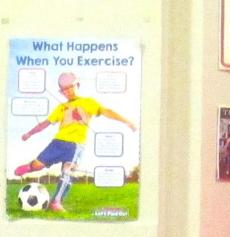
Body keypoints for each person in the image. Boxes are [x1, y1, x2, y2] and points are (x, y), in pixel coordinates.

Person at [13, 71, 137, 212]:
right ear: (61, 92)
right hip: (57, 143)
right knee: (37, 166)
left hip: (76, 146)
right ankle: (30, 167)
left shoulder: (88, 102)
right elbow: (45, 123)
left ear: (78, 84)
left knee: (67, 172)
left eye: (71, 87)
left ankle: (56, 202)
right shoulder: (60, 108)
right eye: (64, 89)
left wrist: (126, 121)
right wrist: (29, 133)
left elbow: (107, 111)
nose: (68, 91)